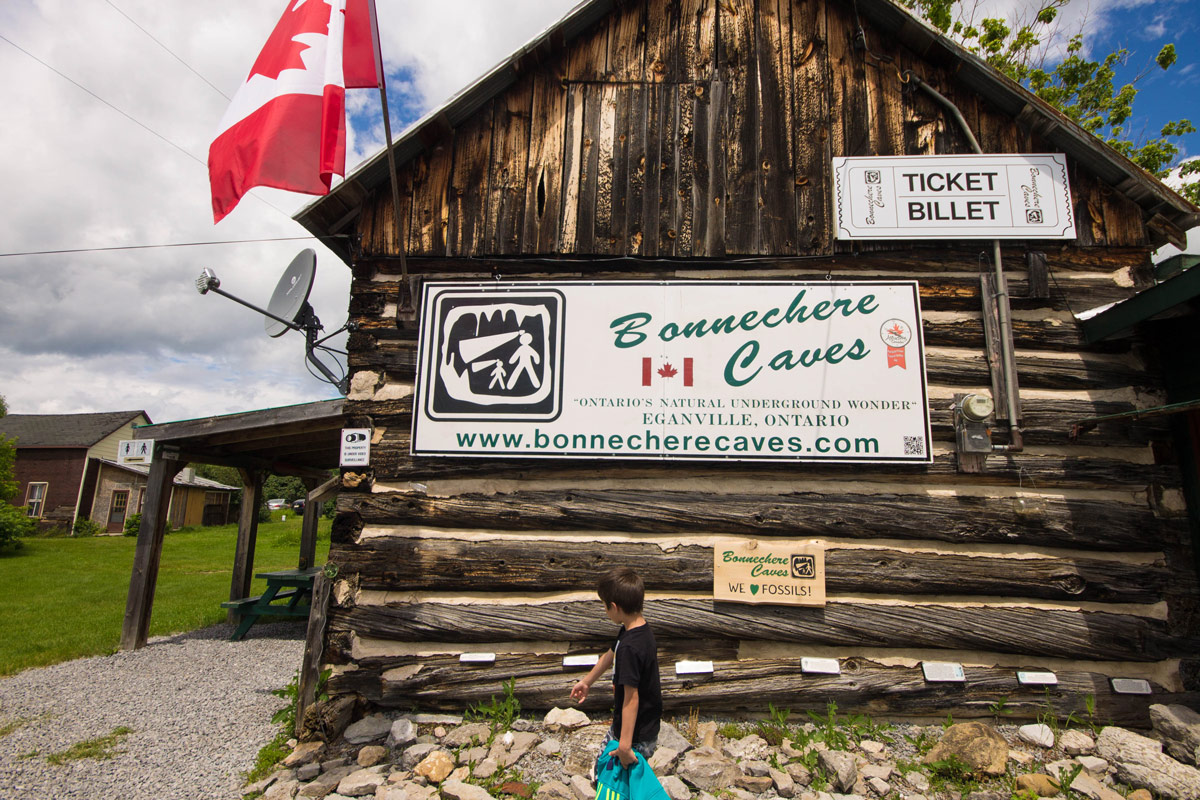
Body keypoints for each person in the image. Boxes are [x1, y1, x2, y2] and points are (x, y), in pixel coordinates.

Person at [570, 567, 662, 767]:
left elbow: (632, 698)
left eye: (604, 606)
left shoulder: (631, 647)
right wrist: (587, 682)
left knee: (614, 780)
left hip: (634, 735)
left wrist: (625, 747)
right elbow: (610, 654)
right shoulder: (635, 630)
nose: (605, 611)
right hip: (636, 727)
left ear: (614, 606)